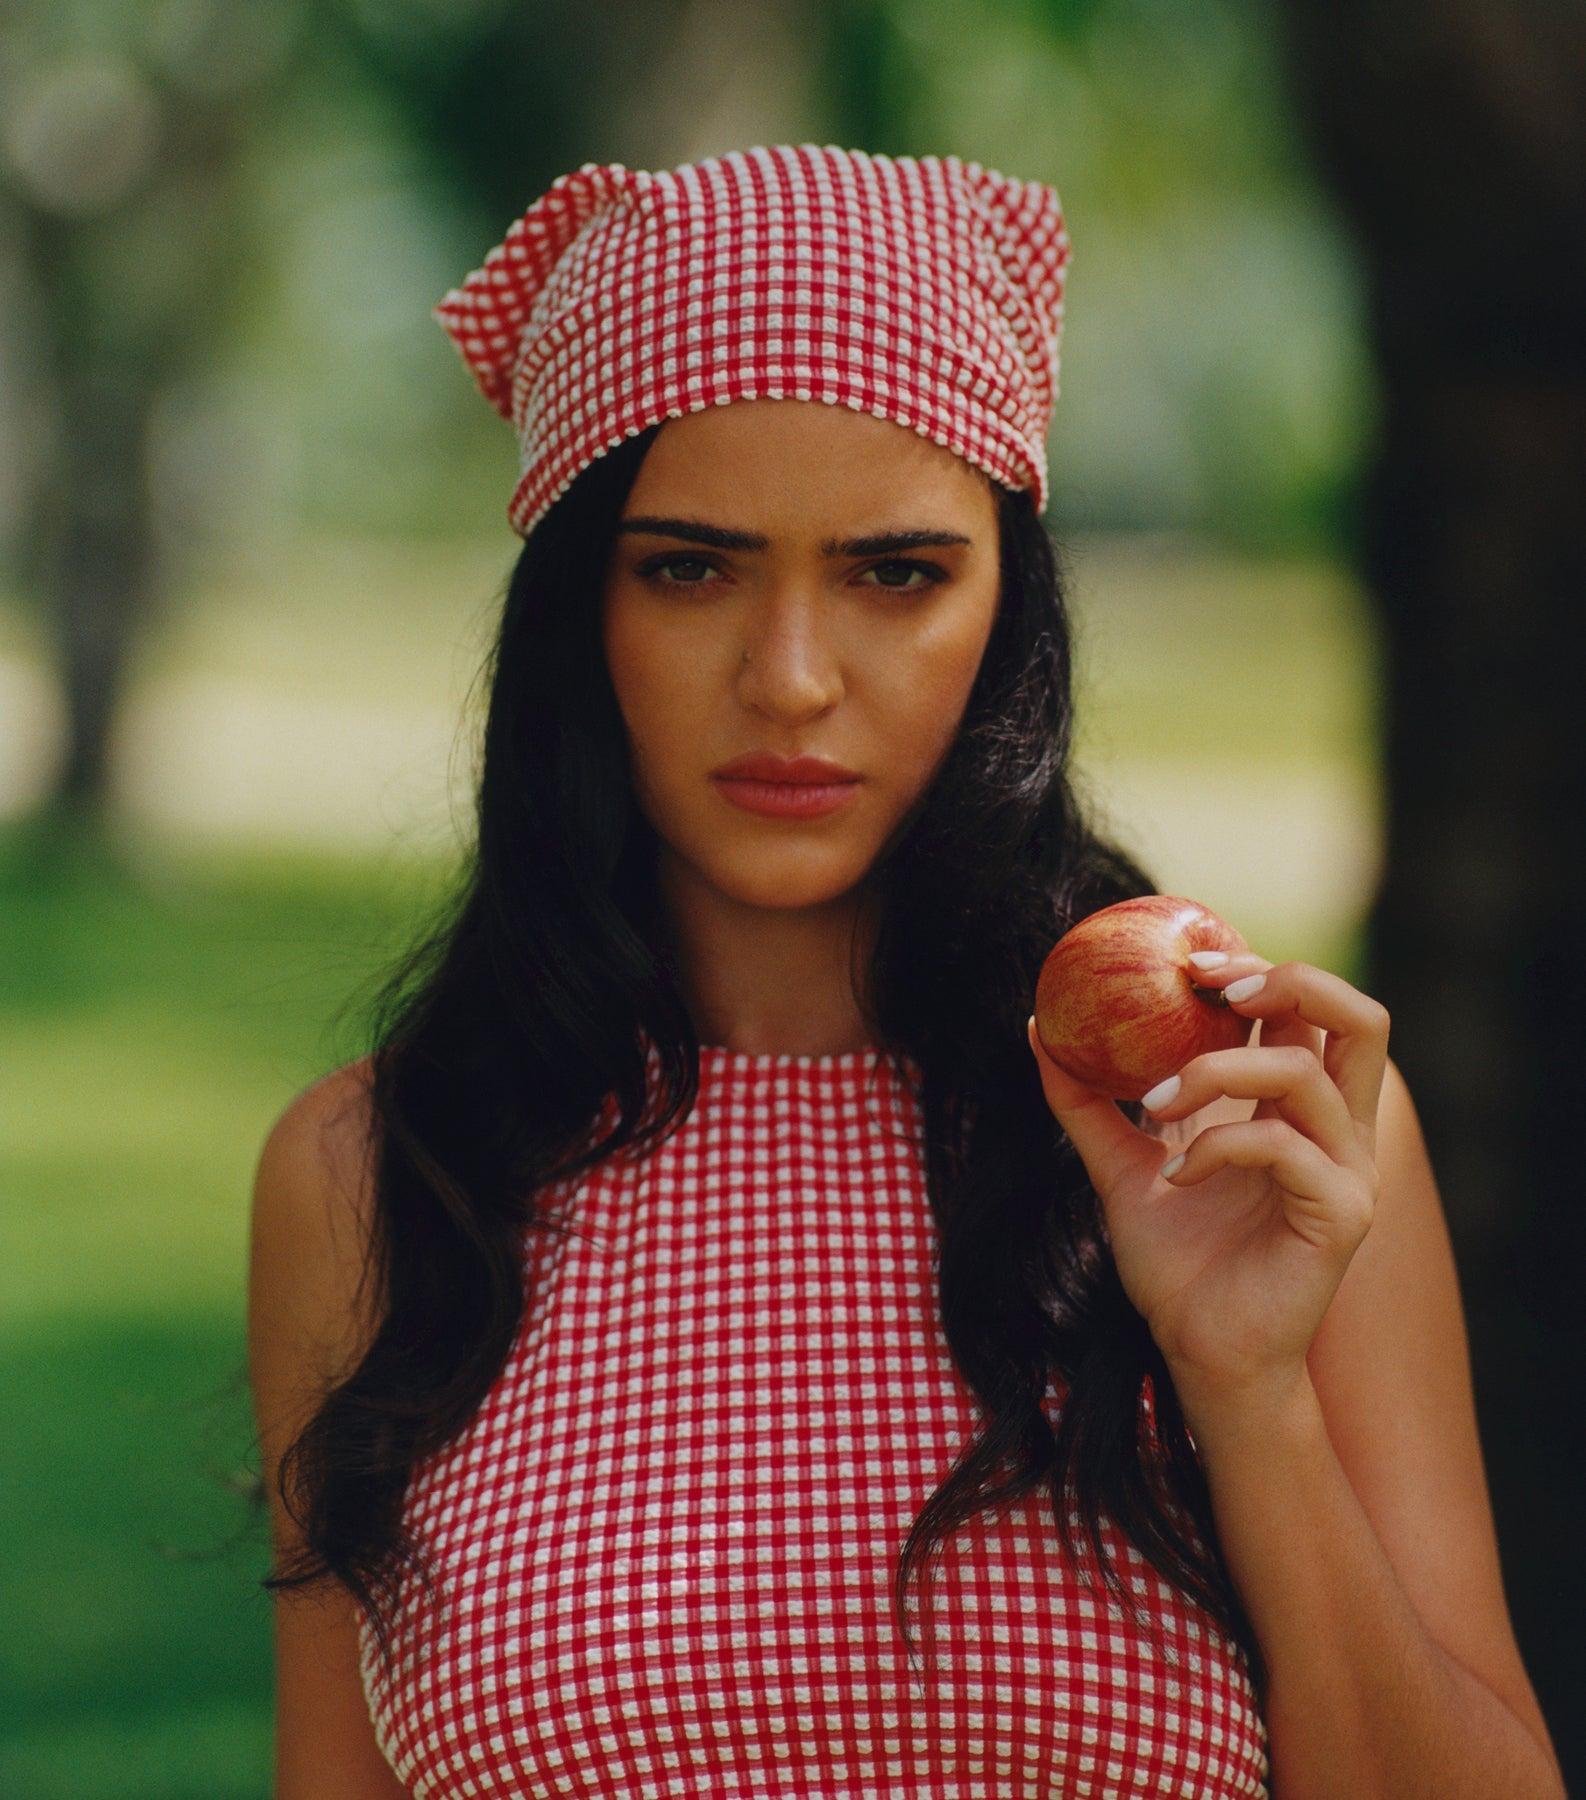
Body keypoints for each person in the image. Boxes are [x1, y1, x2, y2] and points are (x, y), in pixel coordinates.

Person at [246, 145, 1564, 1799]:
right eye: (688, 567)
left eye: (894, 574)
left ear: (1008, 605)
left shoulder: (1248, 1135)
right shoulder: (382, 1171)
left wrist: (1248, 1390)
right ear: (578, 616)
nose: (792, 678)